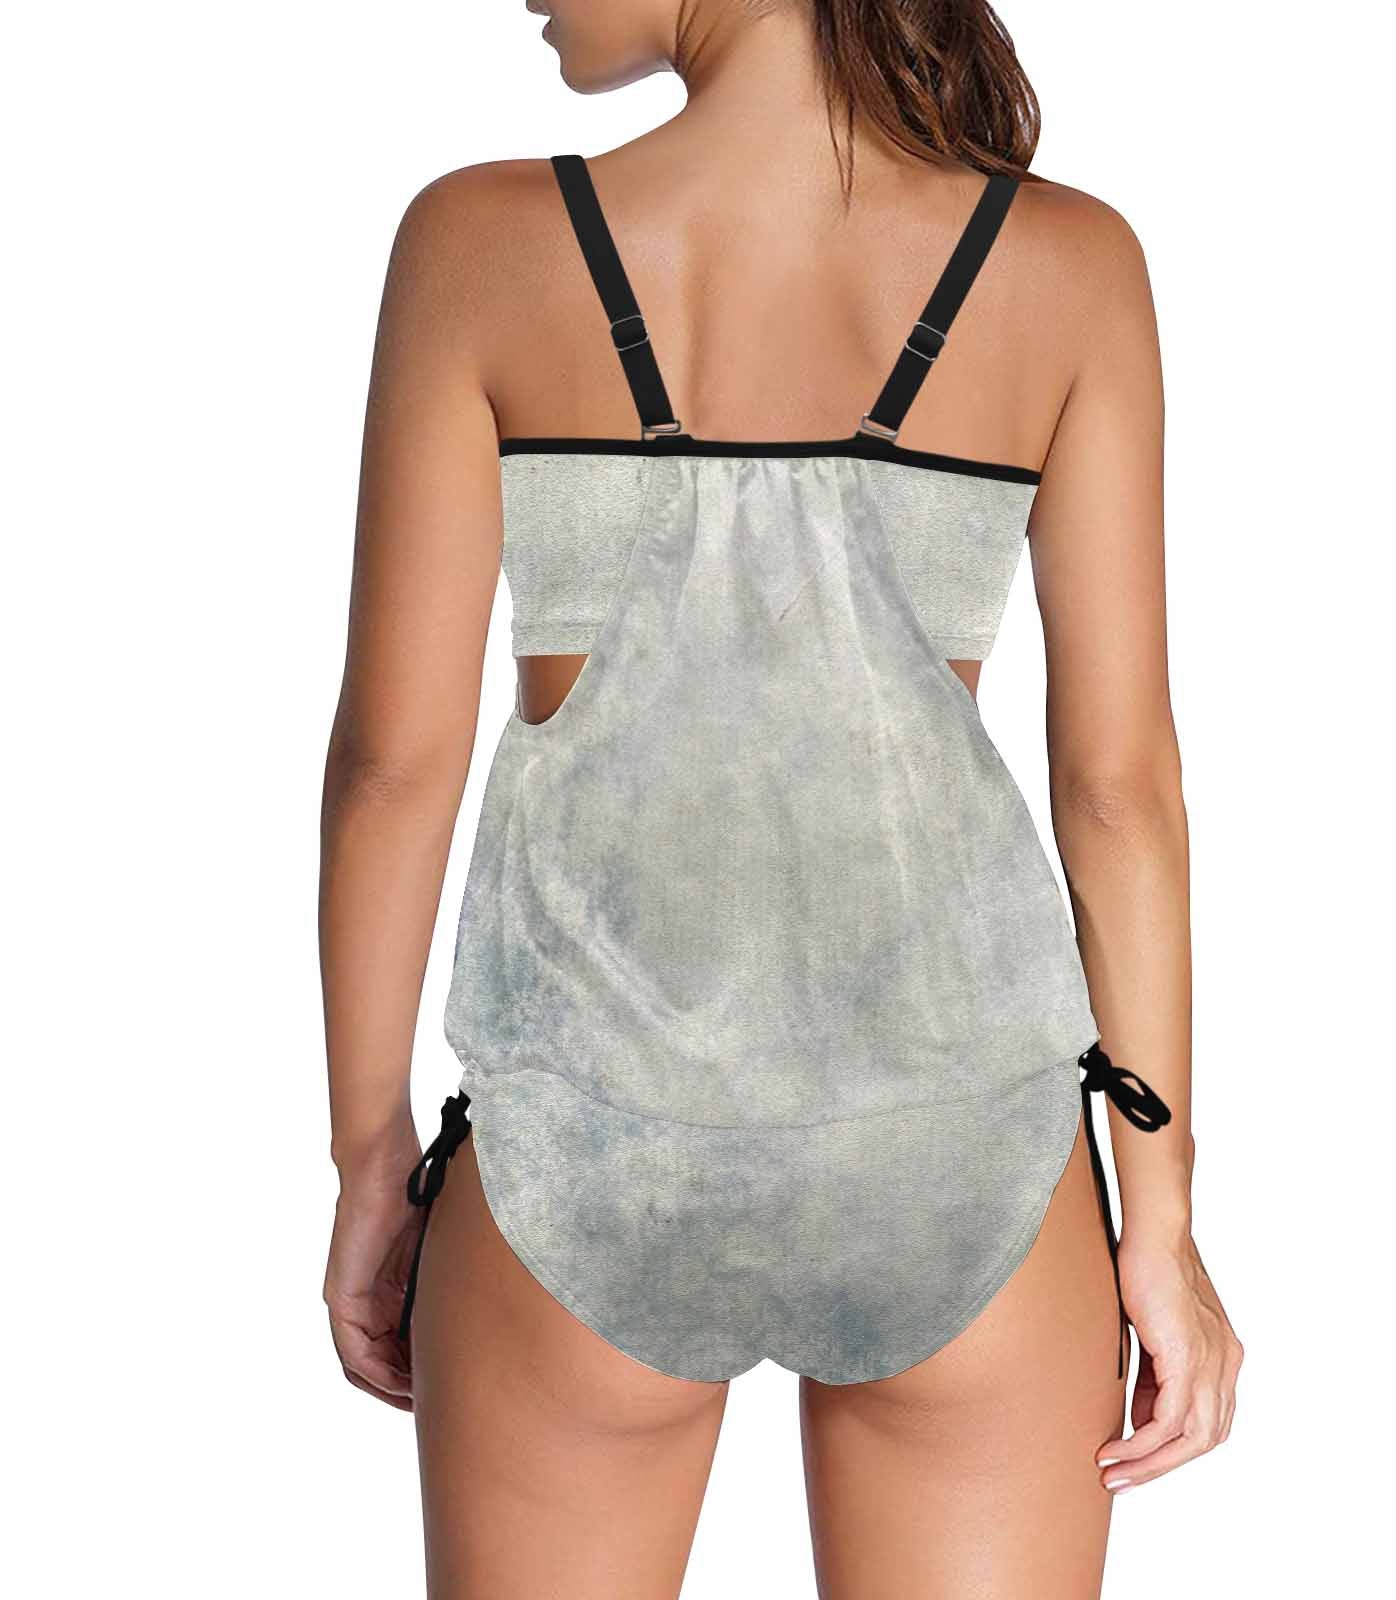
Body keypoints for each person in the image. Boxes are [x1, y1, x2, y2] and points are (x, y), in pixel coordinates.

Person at [319, 2, 1242, 1593]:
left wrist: (365, 1160)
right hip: (965, 1165)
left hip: (580, 1166)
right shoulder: (1067, 263)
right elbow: (1119, 790)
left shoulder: (478, 243)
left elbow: (393, 770)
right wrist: (1156, 1215)